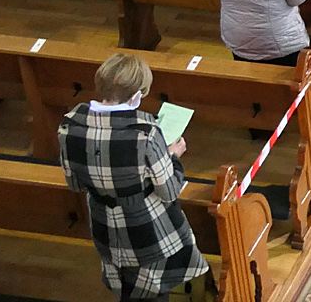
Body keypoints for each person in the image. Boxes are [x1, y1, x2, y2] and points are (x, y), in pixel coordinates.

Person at [59, 53, 209, 302]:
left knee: (127, 289)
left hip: (104, 224)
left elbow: (74, 183)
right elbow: (169, 191)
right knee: (152, 293)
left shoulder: (70, 125)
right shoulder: (145, 134)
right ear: (137, 95)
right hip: (145, 228)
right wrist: (172, 156)